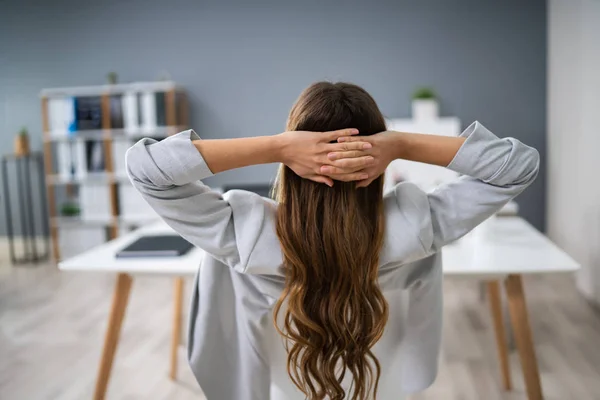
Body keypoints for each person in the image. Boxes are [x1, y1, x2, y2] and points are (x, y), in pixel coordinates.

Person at [126, 82, 539, 400]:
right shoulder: (418, 228)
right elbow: (518, 167)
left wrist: (277, 147)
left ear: (293, 163)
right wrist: (401, 143)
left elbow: (147, 170)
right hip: (379, 383)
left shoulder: (243, 236)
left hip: (279, 386)